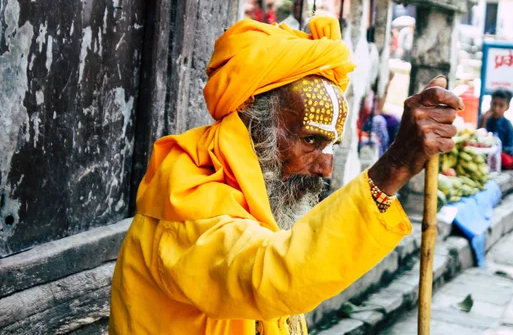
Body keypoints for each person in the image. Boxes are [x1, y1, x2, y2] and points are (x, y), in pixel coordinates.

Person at [108, 17, 463, 334]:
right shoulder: (186, 197)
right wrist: (395, 166)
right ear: (253, 125)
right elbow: (270, 277)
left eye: (330, 147)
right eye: (311, 140)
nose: (325, 168)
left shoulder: (256, 195)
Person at [479, 88, 513, 170]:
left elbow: (511, 148)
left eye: (501, 106)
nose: (496, 109)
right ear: (490, 103)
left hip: (500, 157)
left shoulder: (507, 125)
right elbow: (479, 139)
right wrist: (483, 120)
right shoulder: (485, 119)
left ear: (507, 107)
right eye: (494, 104)